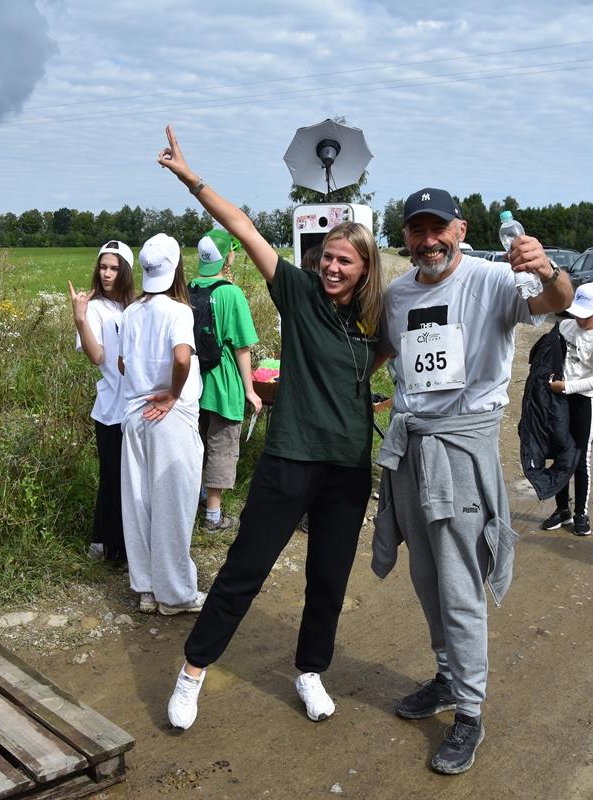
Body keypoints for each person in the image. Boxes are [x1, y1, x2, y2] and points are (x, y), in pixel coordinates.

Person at [156, 125, 385, 730]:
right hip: (292, 458)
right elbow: (244, 229)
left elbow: (377, 360)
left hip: (347, 469)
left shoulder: (374, 321)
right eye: (328, 257)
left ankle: (310, 672)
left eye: (345, 261)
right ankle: (192, 672)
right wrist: (191, 178)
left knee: (329, 580)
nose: (332, 267)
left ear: (365, 270)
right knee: (244, 570)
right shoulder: (299, 292)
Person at [371, 188, 573, 775]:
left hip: (461, 446)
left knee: (460, 582)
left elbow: (554, 303)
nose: (428, 241)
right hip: (411, 445)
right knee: (427, 575)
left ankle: (469, 712)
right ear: (406, 237)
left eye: (439, 229)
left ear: (460, 229)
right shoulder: (400, 292)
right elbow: (383, 351)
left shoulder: (492, 280)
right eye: (417, 231)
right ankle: (445, 675)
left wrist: (548, 268)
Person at [116, 233, 205, 616]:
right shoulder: (178, 311)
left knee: (139, 503)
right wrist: (170, 392)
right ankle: (177, 595)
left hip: (134, 414)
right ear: (175, 269)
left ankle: (147, 589)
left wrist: (143, 379)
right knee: (173, 505)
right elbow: (182, 358)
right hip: (169, 415)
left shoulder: (130, 312)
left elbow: (122, 363)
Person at [190, 228, 263, 532]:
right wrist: (250, 390)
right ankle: (213, 518)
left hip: (193, 383)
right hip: (223, 384)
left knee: (199, 443)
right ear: (227, 256)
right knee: (221, 445)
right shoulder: (230, 293)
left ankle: (199, 498)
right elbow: (242, 346)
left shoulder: (188, 287)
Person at [69, 240, 135, 562]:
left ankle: (123, 544)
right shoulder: (93, 308)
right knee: (112, 477)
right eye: (103, 266)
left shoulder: (133, 305)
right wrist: (79, 318)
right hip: (111, 409)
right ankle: (105, 545)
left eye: (114, 267)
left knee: (132, 479)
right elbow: (97, 356)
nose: (107, 273)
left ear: (126, 271)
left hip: (137, 407)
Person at [540, 282, 593, 537]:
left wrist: (566, 386)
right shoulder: (563, 327)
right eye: (577, 313)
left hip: (582, 403)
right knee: (561, 455)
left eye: (586, 315)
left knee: (580, 461)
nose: (579, 319)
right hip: (560, 400)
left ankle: (581, 512)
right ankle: (562, 510)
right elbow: (550, 355)